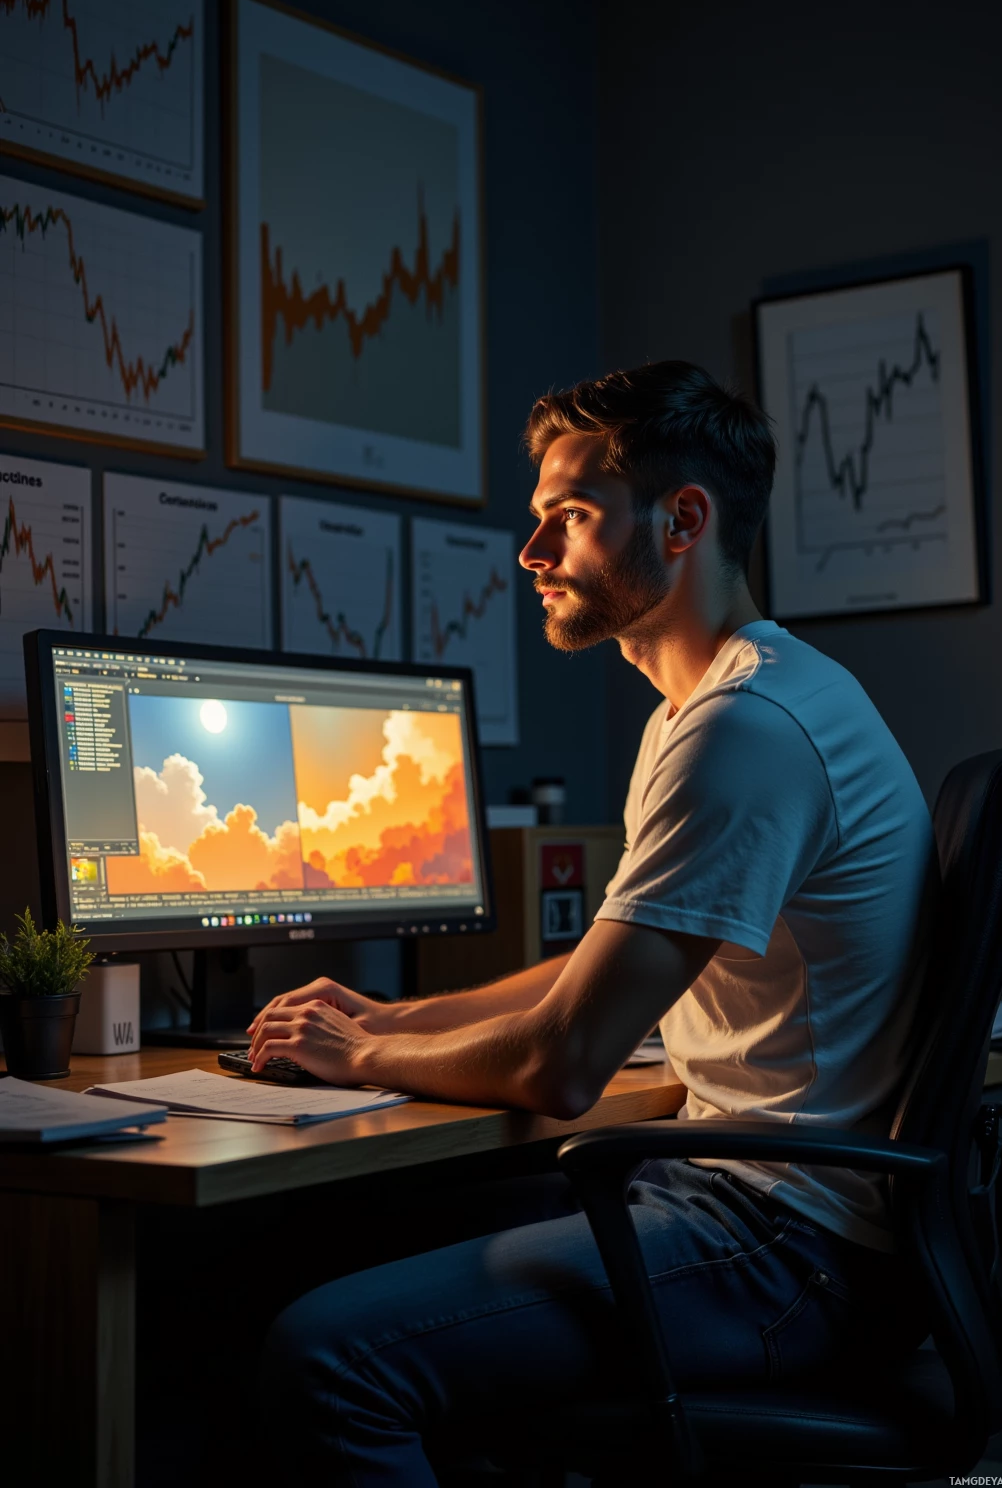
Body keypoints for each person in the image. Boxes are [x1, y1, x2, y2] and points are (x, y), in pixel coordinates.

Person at [254, 361, 937, 1485]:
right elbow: (600, 963)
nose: (531, 555)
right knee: (311, 1242)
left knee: (327, 1359)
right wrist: (399, 1011)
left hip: (779, 1246)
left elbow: (567, 1062)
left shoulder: (745, 730)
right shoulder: (716, 703)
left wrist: (361, 1053)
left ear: (681, 520)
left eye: (567, 519)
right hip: (738, 1195)